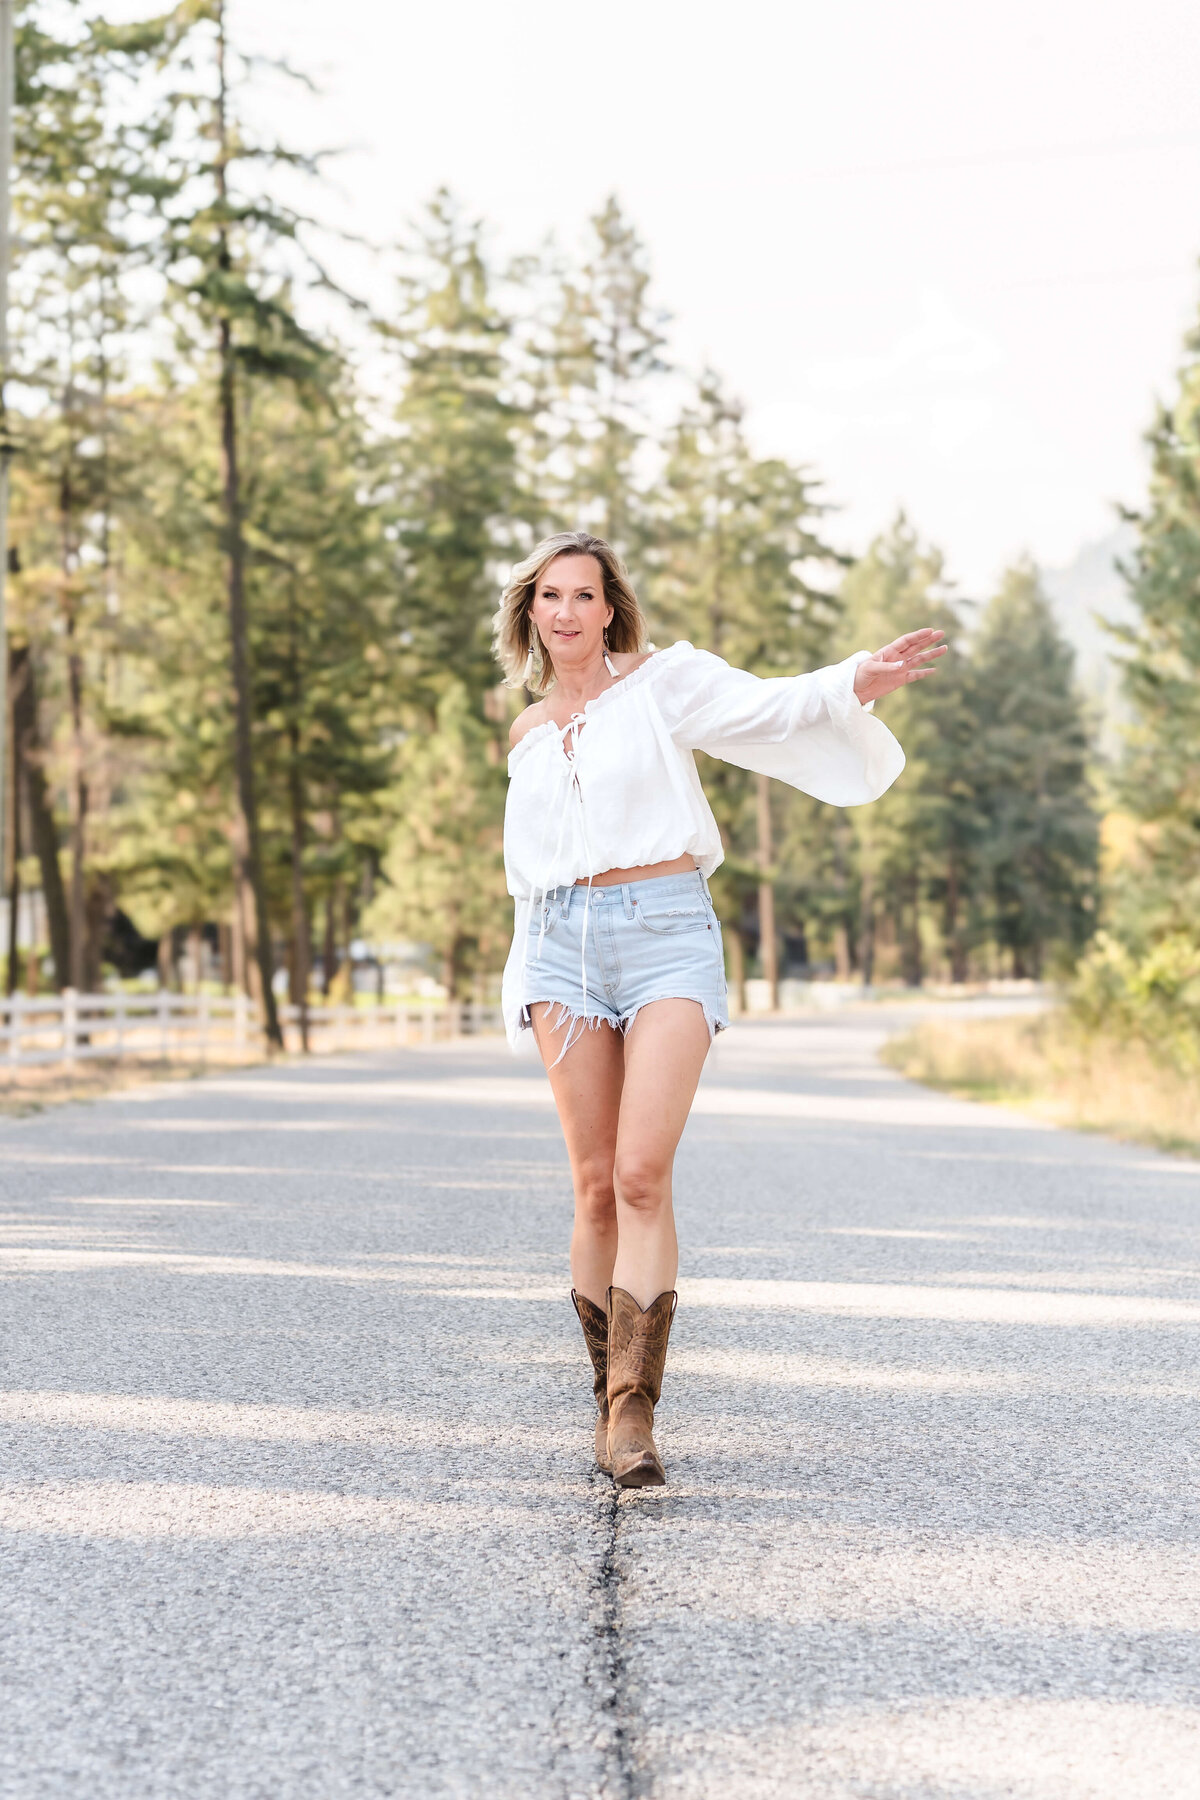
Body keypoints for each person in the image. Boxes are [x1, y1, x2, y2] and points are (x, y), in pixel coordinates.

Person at [494, 530, 943, 1487]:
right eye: (549, 597)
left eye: (584, 594)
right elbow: (527, 880)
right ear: (530, 613)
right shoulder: (528, 735)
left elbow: (767, 706)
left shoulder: (662, 682)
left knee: (643, 1174)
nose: (567, 611)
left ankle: (633, 1411)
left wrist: (853, 679)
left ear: (610, 607)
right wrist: (524, 982)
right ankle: (608, 1398)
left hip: (665, 933)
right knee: (593, 1183)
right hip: (559, 951)